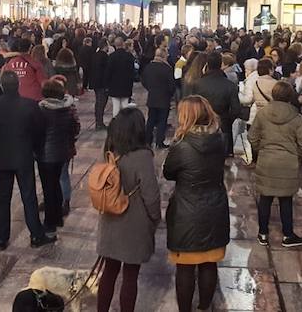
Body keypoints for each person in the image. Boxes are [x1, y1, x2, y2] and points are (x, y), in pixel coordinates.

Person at [0, 71, 56, 249]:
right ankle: (36, 235)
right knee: (29, 197)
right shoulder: (30, 105)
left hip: (1, 158)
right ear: (18, 85)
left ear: (1, 86)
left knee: (3, 199)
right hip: (24, 156)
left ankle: (1, 237)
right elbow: (42, 128)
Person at [163, 96, 229, 312]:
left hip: (187, 210)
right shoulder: (220, 140)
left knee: (185, 268)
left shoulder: (181, 145)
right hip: (214, 207)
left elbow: (168, 173)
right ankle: (203, 307)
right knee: (209, 263)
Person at [96, 108, 161, 312]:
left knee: (109, 272)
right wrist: (155, 218)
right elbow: (151, 194)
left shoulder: (110, 149)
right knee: (130, 276)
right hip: (134, 223)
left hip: (110, 220)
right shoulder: (142, 156)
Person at [248, 81, 302, 248]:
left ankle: (263, 233)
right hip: (288, 163)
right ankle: (288, 235)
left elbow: (252, 136)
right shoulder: (296, 117)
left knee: (265, 199)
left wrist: (261, 149)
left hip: (266, 160)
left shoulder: (262, 114)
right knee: (286, 199)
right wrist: (295, 154)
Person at [37, 79, 80, 233]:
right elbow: (75, 129)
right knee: (57, 184)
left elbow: (36, 132)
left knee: (49, 188)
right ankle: (58, 217)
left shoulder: (41, 111)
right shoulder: (68, 110)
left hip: (45, 154)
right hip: (63, 151)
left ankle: (50, 222)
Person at [188, 52, 242, 157]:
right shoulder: (230, 85)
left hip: (202, 125)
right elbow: (236, 109)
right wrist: (227, 120)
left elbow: (193, 104)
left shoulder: (198, 84)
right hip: (223, 126)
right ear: (221, 64)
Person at [141, 47, 174, 149]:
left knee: (151, 120)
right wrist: (170, 94)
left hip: (152, 97)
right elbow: (171, 85)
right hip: (164, 98)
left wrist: (150, 89)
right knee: (162, 121)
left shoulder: (148, 67)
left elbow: (144, 80)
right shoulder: (167, 68)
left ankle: (147, 141)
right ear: (164, 56)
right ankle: (160, 141)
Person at [105, 38, 136, 117]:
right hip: (126, 84)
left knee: (116, 106)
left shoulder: (111, 57)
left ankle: (116, 123)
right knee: (125, 105)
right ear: (123, 44)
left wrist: (107, 84)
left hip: (114, 85)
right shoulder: (129, 56)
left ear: (115, 45)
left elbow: (108, 72)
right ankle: (125, 123)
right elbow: (132, 71)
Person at [244, 58, 278, 124]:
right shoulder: (275, 83)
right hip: (271, 115)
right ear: (270, 69)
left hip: (258, 114)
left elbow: (251, 99)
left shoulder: (254, 83)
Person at [89, 39, 110, 130]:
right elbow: (106, 72)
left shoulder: (94, 55)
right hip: (102, 83)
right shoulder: (104, 56)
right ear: (105, 46)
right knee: (101, 103)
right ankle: (99, 123)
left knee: (98, 102)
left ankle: (98, 121)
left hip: (95, 82)